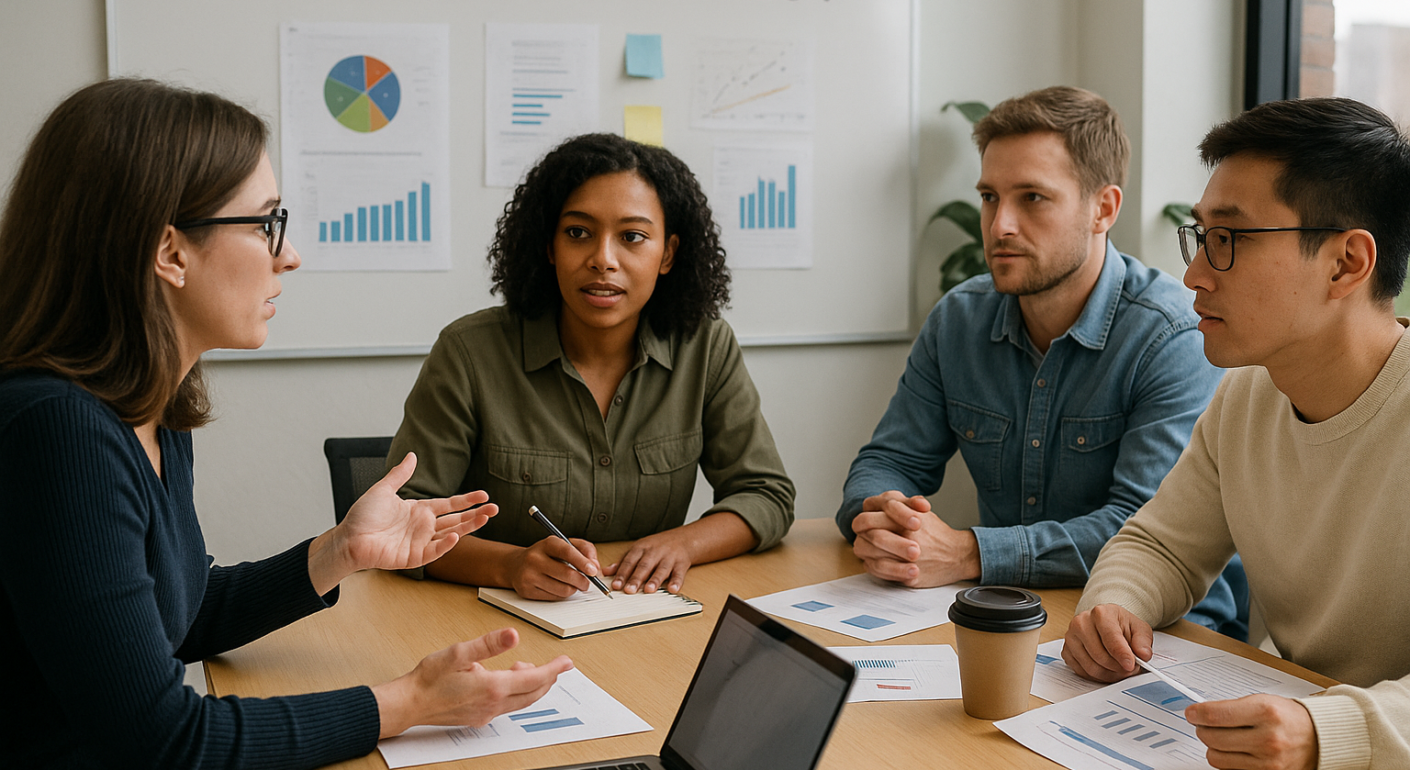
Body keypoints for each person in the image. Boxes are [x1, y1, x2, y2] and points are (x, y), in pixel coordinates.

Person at [0, 78, 573, 769]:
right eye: (265, 222)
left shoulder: (150, 409)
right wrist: (409, 703)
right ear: (170, 251)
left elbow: (179, 614)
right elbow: (165, 741)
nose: (288, 253)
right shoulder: (59, 432)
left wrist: (341, 551)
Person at [1063, 98, 1410, 770]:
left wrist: (1326, 731)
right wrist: (1115, 604)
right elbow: (1161, 544)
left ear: (1345, 264)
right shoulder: (1249, 394)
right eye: (1199, 238)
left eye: (1228, 240)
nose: (1193, 275)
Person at [835, 85, 1247, 637]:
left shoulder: (1172, 335)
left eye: (1032, 197)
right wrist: (886, 517)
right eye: (989, 197)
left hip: (1167, 634)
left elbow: (1142, 531)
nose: (1000, 224)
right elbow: (889, 459)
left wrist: (967, 553)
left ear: (1103, 208)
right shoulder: (958, 320)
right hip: (1012, 617)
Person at [389, 133, 795, 600]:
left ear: (667, 254)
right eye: (578, 233)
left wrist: (683, 544)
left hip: (639, 617)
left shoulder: (705, 347)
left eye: (632, 237)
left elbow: (767, 495)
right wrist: (511, 564)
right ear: (549, 246)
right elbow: (403, 521)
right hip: (495, 623)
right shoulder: (469, 352)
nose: (603, 259)